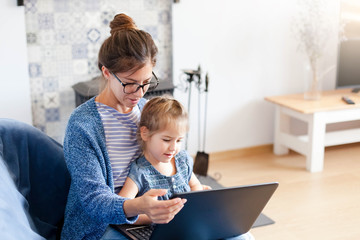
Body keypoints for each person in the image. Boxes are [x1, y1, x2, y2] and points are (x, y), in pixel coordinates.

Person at [61, 13, 187, 240]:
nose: (139, 93)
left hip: (153, 219)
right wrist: (140, 206)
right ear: (107, 72)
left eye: (146, 83)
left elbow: (173, 156)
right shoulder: (82, 125)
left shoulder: (148, 109)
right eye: (129, 84)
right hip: (101, 228)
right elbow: (94, 201)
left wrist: (193, 195)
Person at [119, 96, 205, 225]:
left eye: (179, 140)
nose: (173, 147)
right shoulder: (140, 170)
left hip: (187, 223)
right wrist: (153, 218)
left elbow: (195, 185)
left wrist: (198, 202)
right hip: (157, 230)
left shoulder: (182, 160)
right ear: (145, 133)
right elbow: (122, 209)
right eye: (166, 140)